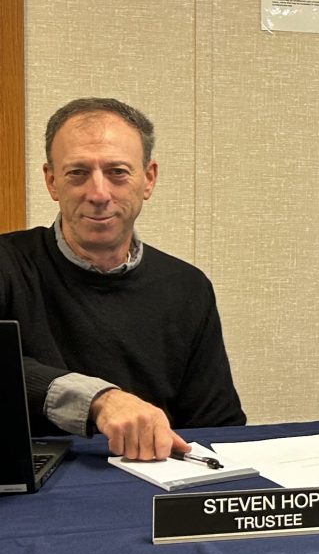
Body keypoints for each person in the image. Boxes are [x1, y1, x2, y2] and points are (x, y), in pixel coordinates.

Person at [0, 98, 245, 460]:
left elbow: (217, 426)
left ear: (148, 179)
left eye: (117, 172)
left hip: (153, 487)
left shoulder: (187, 287)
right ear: (52, 182)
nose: (99, 194)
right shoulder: (7, 262)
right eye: (77, 173)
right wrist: (99, 400)